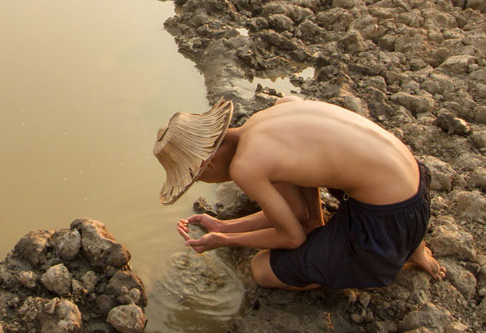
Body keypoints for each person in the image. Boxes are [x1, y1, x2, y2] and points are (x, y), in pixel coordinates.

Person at [152, 94, 445, 290]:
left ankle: (395, 251)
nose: (206, 181)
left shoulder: (245, 166)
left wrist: (225, 240)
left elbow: (292, 237)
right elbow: (294, 215)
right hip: (416, 187)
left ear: (208, 162)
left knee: (262, 268)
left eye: (198, 177)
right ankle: (415, 246)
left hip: (386, 222)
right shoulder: (277, 109)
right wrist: (223, 224)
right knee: (319, 200)